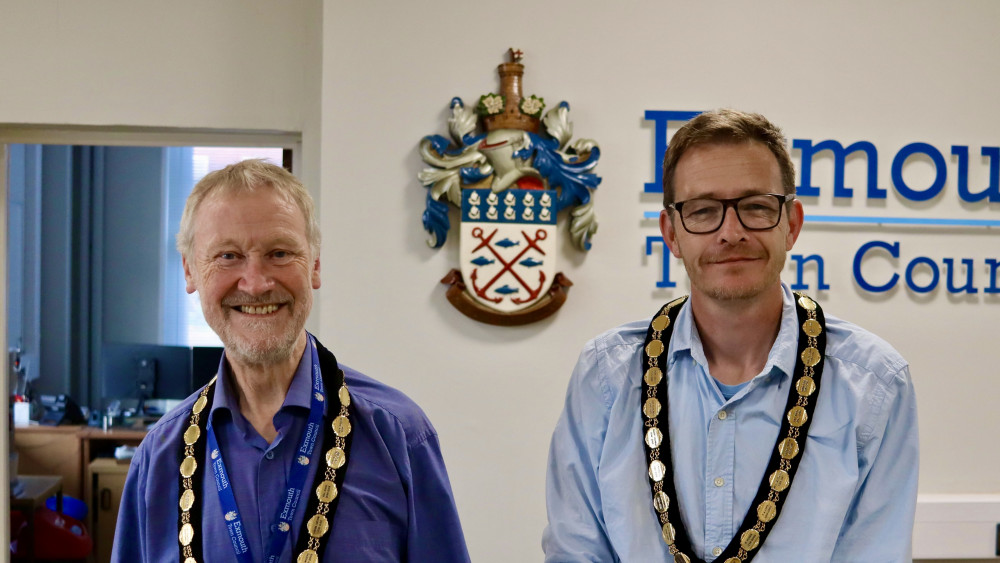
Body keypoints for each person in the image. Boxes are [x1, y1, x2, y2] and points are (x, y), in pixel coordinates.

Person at [543, 109, 918, 562]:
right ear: (672, 234)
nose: (731, 232)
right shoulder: (604, 375)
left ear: (792, 224)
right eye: (703, 211)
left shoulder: (874, 384)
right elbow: (575, 550)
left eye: (756, 207)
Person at [112, 160, 470, 563]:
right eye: (228, 256)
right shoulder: (157, 459)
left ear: (314, 265)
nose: (256, 283)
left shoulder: (399, 436)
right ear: (190, 270)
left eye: (279, 253)